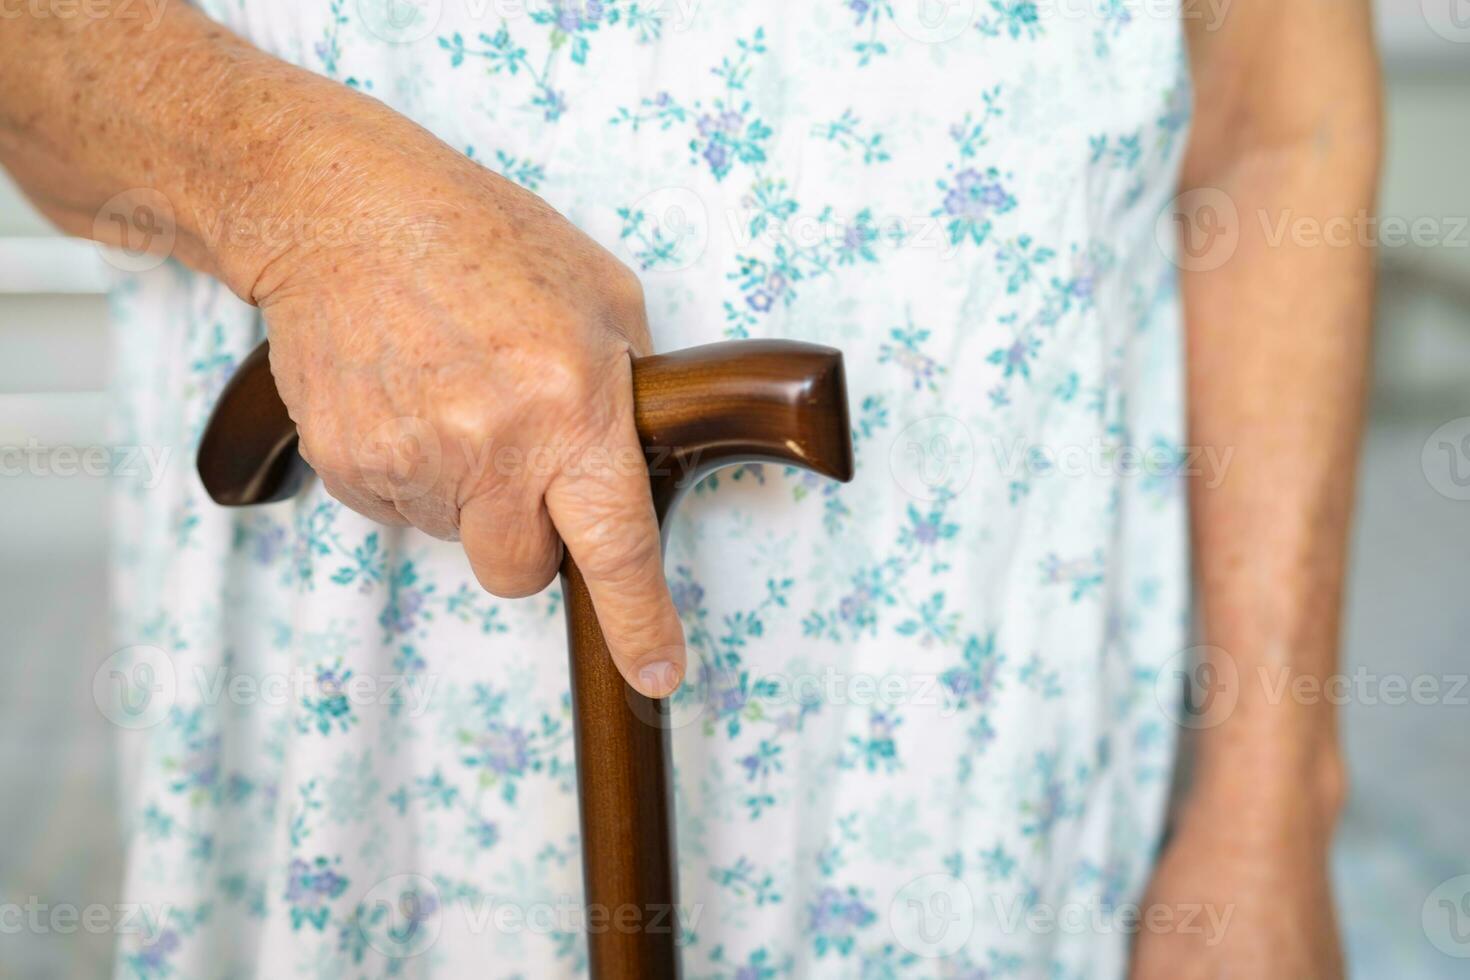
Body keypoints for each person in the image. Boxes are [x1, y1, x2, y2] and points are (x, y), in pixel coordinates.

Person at [0, 1, 1379, 977]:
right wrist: (286, 185)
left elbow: (1274, 118)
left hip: (1000, 760)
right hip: (398, 748)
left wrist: (1264, 806)